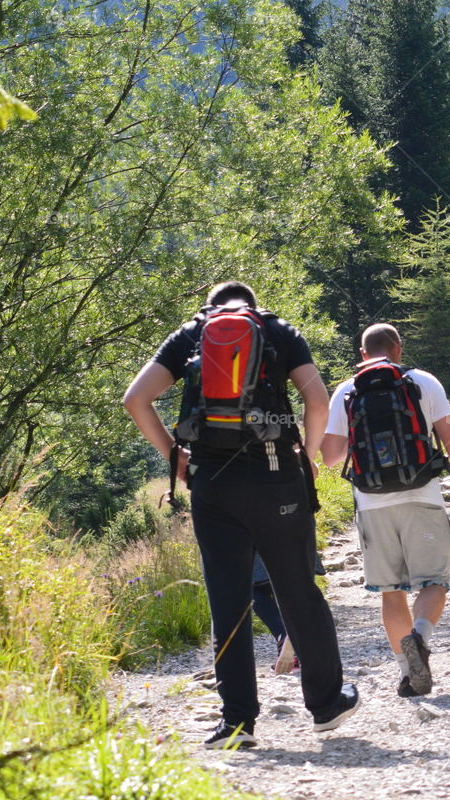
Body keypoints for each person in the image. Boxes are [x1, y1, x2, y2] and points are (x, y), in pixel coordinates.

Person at [123, 280, 359, 748]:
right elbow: (317, 400)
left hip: (211, 483)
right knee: (296, 590)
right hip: (277, 478)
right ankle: (326, 705)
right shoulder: (278, 332)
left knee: (227, 599)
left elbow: (135, 400)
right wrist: (306, 454)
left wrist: (176, 458)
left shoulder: (189, 335)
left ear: (210, 307)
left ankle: (236, 723)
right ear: (251, 305)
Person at [320, 322, 450, 698]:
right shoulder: (423, 382)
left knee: (390, 591)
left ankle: (407, 672)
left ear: (363, 354)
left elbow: (330, 457)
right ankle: (420, 638)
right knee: (433, 582)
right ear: (398, 348)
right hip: (423, 497)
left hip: (372, 503)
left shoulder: (347, 390)